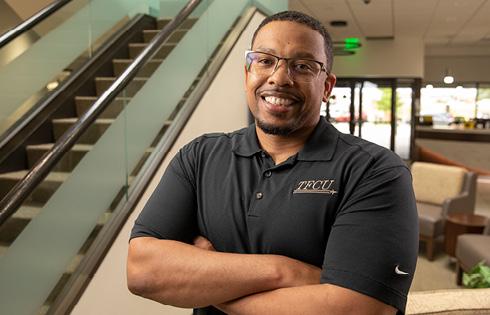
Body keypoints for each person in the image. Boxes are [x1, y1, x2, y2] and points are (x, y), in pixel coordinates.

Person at [127, 10, 418, 315]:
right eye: (265, 60)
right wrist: (284, 271)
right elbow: (141, 270)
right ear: (247, 75)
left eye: (302, 66)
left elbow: (358, 309)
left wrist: (210, 287)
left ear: (327, 88)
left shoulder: (374, 171)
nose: (279, 78)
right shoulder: (199, 156)